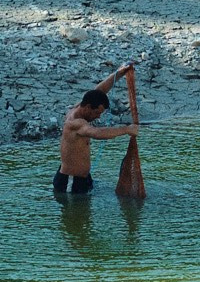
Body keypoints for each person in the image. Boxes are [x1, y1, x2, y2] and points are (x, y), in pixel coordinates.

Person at [53, 63, 139, 195]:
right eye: (97, 113)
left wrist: (119, 73)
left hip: (82, 178)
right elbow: (97, 133)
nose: (98, 116)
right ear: (87, 107)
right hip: (70, 181)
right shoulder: (76, 123)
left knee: (86, 214)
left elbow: (99, 91)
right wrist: (126, 129)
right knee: (75, 214)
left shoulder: (79, 107)